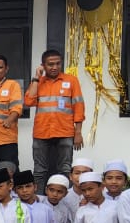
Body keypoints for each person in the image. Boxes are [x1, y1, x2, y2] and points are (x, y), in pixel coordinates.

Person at [25, 49, 86, 192]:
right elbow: (28, 102)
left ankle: (65, 199)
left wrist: (78, 132)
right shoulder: (38, 82)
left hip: (65, 132)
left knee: (65, 169)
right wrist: (36, 78)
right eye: (50, 64)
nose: (54, 67)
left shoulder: (71, 80)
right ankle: (39, 199)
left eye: (58, 63)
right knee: (39, 171)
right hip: (41, 132)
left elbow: (79, 107)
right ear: (43, 66)